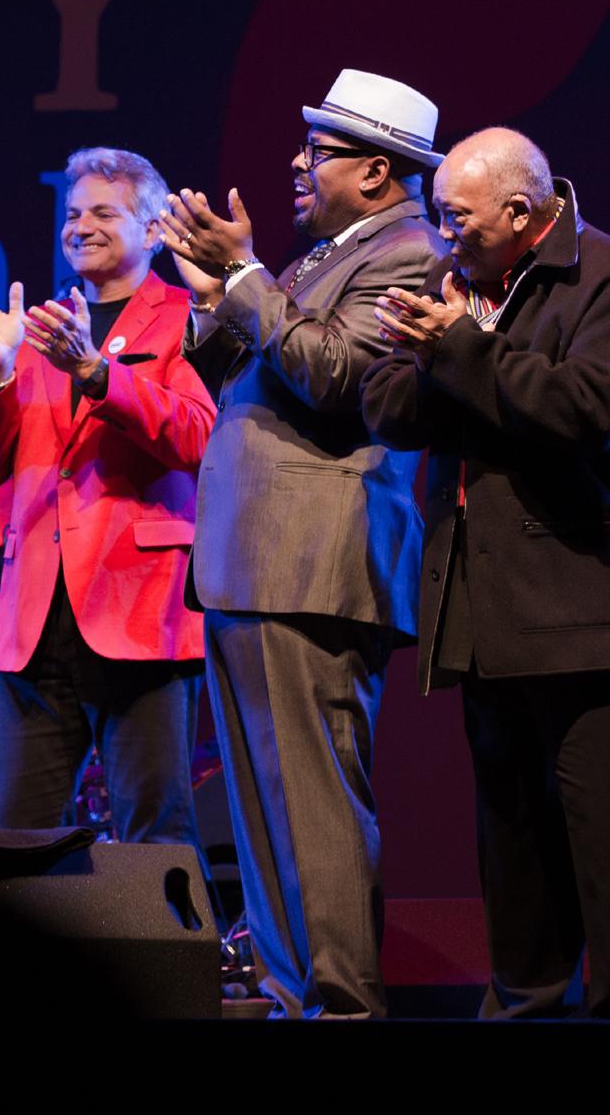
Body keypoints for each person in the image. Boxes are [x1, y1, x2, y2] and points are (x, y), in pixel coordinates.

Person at [364, 127, 610, 1019]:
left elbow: (592, 411)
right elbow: (387, 406)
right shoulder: (455, 285)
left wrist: (462, 351)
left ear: (519, 211)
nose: (442, 234)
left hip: (585, 607)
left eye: (456, 218)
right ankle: (527, 1008)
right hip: (484, 611)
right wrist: (443, 349)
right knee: (513, 849)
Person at [157, 69, 444, 1017]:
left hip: (311, 565)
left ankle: (343, 1006)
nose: (296, 162)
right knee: (263, 811)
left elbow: (330, 377)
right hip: (254, 562)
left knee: (312, 806)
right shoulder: (328, 253)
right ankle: (293, 997)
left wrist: (245, 278)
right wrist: (215, 297)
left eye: (315, 151)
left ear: (372, 170)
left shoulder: (408, 254)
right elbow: (251, 376)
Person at [0, 147, 215, 852]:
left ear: (154, 229)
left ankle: (164, 968)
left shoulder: (187, 318)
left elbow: (200, 437)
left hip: (141, 611)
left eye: (104, 211)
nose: (81, 226)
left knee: (154, 837)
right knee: (17, 842)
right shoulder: (39, 328)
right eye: (72, 214)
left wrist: (98, 373)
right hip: (36, 621)